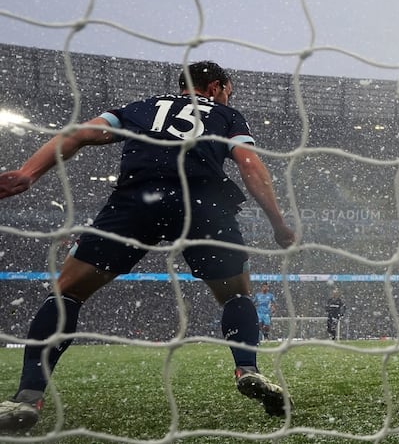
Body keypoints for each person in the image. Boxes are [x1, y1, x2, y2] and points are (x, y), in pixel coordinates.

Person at [0, 61, 296, 432]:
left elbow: (77, 135)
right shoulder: (225, 114)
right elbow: (249, 163)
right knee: (237, 296)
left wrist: (28, 173)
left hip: (140, 197)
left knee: (67, 293)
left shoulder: (142, 107)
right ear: (217, 87)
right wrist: (278, 222)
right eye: (228, 90)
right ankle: (247, 368)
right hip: (203, 202)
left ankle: (27, 396)